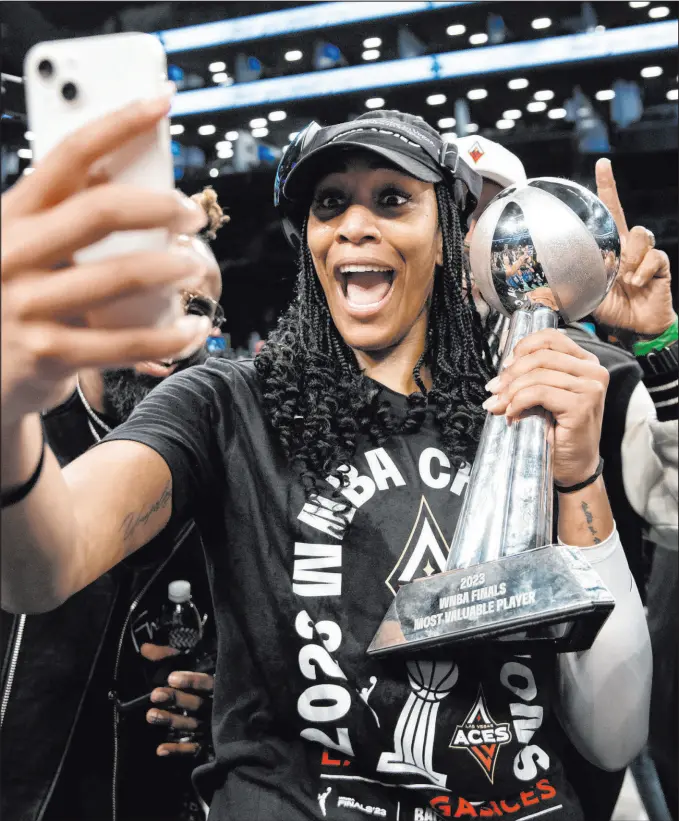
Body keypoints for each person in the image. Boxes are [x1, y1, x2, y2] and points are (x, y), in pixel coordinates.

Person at [2, 100, 651, 821]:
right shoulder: (228, 405)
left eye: (392, 199)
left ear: (447, 236)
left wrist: (577, 471)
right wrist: (7, 417)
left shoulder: (527, 402)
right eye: (329, 202)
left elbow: (613, 733)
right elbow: (45, 565)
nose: (353, 224)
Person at [456, 133, 677, 821]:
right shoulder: (375, 384)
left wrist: (658, 344)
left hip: (579, 725)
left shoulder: (600, 378)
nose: (479, 244)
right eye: (458, 218)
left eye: (502, 224)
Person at [0, 184, 226, 821]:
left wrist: (228, 702)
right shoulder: (18, 425)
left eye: (195, 305)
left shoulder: (225, 459)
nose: (169, 325)